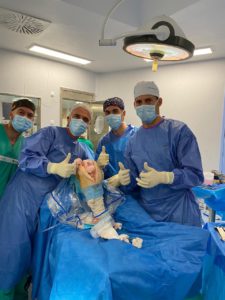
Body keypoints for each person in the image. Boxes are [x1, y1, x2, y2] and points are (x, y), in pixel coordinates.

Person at [0, 103, 94, 299]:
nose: (80, 121)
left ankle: (20, 293)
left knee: (30, 253)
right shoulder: (50, 133)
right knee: (12, 250)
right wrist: (51, 167)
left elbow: (91, 170)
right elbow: (26, 158)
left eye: (86, 119)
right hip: (23, 198)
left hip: (46, 207)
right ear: (68, 117)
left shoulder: (81, 148)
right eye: (77, 116)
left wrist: (102, 168)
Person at [120, 81, 204, 227]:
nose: (143, 105)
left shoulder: (178, 131)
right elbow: (133, 184)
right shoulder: (133, 141)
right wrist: (125, 180)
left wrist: (166, 177)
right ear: (134, 105)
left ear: (159, 102)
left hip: (180, 211)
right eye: (139, 102)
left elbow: (196, 175)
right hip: (147, 213)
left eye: (148, 100)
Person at [95, 97, 137, 184]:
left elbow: (146, 165)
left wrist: (127, 176)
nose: (111, 115)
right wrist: (98, 166)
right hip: (112, 192)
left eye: (115, 111)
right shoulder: (104, 142)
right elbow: (97, 174)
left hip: (135, 193)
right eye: (107, 112)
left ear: (123, 113)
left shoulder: (137, 135)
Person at [0, 98, 35, 200]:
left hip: (6, 201)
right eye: (21, 113)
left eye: (30, 115)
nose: (25, 117)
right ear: (11, 115)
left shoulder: (26, 145)